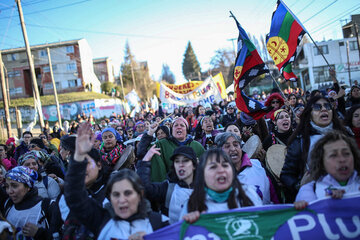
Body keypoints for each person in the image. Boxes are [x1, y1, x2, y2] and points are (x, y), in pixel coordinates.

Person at [64, 123, 168, 239]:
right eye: (116, 194)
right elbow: (74, 196)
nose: (122, 200)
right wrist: (78, 158)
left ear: (140, 194)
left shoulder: (159, 223)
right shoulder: (101, 220)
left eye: (128, 193)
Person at [280, 96, 347, 202]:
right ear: (310, 114)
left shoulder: (346, 135)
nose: (324, 109)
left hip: (347, 194)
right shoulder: (300, 141)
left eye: (327, 106)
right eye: (317, 107)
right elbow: (286, 175)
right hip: (315, 200)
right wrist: (299, 185)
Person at [181, 148, 262, 223]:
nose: (221, 170)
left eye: (225, 165)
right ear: (202, 174)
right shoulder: (191, 205)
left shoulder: (249, 195)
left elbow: (262, 225)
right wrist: (188, 225)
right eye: (213, 167)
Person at [294, 131, 360, 209]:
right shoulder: (310, 190)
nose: (342, 159)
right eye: (333, 155)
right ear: (321, 162)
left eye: (346, 153)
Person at [137, 145, 197, 223]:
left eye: (185, 160)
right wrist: (145, 161)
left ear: (194, 165)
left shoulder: (206, 188)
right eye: (177, 161)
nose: (180, 164)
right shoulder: (168, 189)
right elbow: (144, 189)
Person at [215, 132, 276, 204]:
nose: (233, 149)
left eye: (236, 145)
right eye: (227, 146)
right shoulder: (217, 176)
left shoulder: (257, 165)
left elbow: (274, 194)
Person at [3, 166, 61, 239]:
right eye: (7, 186)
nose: (9, 191)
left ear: (28, 187)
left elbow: (62, 235)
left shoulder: (48, 206)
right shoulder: (8, 204)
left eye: (14, 186)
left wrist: (39, 233)